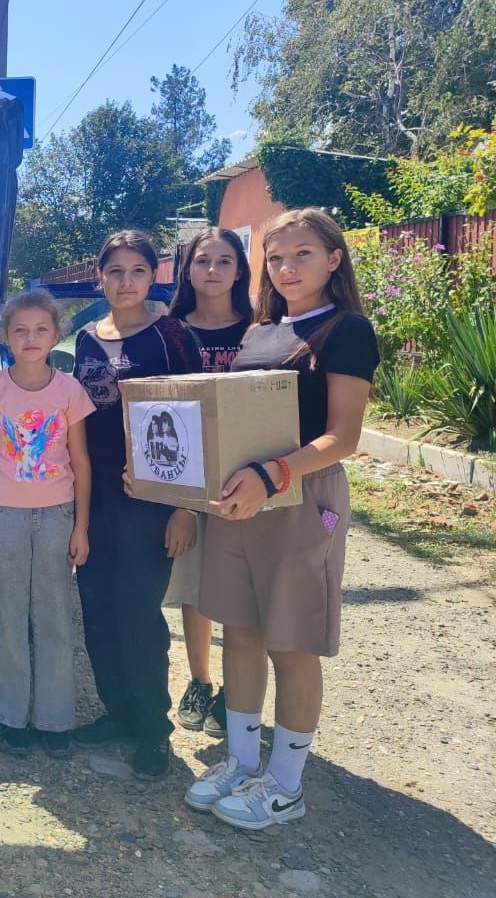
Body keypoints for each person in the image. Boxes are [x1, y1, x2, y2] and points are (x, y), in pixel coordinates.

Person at [185, 208, 377, 830]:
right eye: (275, 258)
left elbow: (343, 437)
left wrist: (274, 475)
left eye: (302, 255)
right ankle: (242, 763)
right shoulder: (261, 331)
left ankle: (286, 784)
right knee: (240, 632)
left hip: (299, 496)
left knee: (290, 642)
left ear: (333, 259)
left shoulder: (347, 330)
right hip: (242, 498)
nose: (287, 268)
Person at [71, 230, 203, 780]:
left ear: (154, 276)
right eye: (115, 271)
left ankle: (153, 730)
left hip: (152, 497)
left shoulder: (172, 335)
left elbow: (198, 419)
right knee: (97, 606)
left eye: (138, 271)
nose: (126, 282)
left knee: (138, 612)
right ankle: (118, 714)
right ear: (99, 277)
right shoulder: (84, 338)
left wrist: (186, 507)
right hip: (92, 493)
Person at [0, 288, 95, 758]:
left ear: (56, 334)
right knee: (8, 617)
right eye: (20, 330)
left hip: (58, 516)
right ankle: (10, 716)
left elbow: (81, 462)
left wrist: (81, 527)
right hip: (6, 518)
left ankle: (55, 719)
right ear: (5, 336)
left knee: (55, 616)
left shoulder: (70, 391)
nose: (31, 338)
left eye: (41, 329)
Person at [164, 227, 252, 739]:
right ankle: (200, 681)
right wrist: (179, 502)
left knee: (240, 586)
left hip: (247, 473)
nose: (213, 270)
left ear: (240, 270)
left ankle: (237, 695)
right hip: (188, 474)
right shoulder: (171, 331)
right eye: (202, 261)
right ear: (188, 270)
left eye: (224, 261)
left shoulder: (262, 329)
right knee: (195, 585)